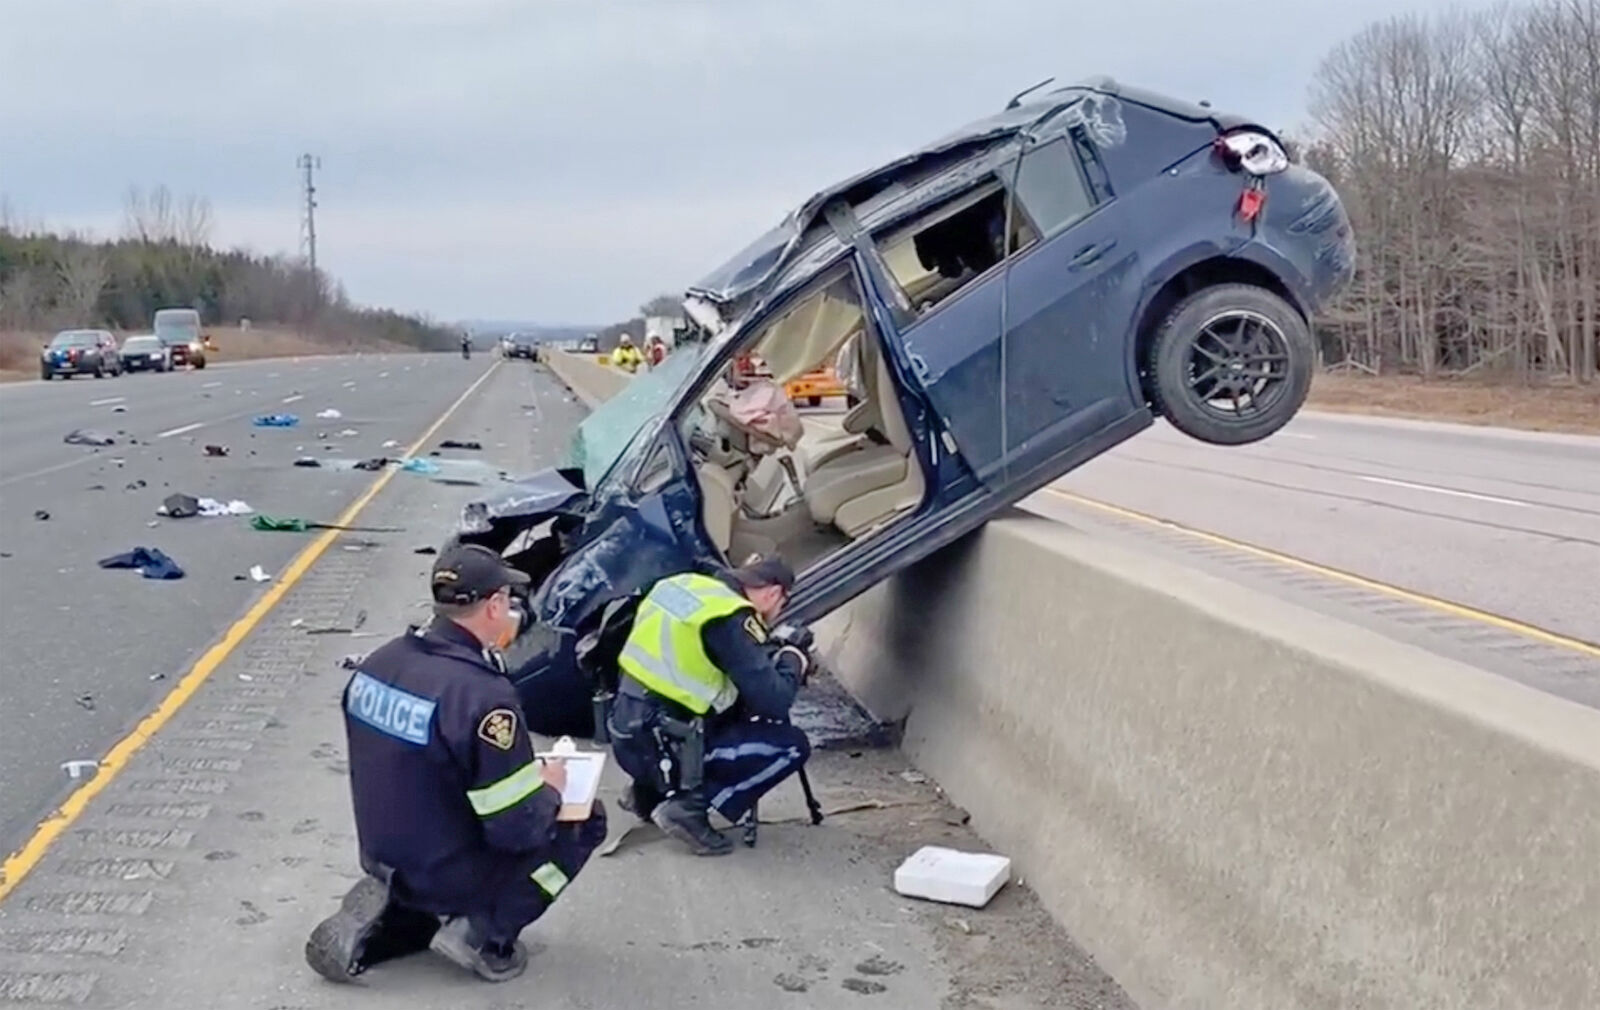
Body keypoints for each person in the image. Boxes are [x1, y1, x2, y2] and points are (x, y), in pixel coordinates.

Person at [305, 543, 607, 984]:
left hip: (383, 849)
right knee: (585, 822)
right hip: (446, 867)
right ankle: (484, 932)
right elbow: (517, 828)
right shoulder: (483, 696)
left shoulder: (379, 662)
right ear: (496, 605)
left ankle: (404, 915)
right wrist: (551, 787)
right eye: (508, 601)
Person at [607, 557, 813, 856]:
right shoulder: (730, 616)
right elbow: (774, 702)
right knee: (792, 746)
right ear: (772, 594)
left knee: (706, 703)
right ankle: (687, 808)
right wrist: (794, 658)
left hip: (627, 734)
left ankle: (647, 792)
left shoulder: (682, 585)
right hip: (665, 744)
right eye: (781, 605)